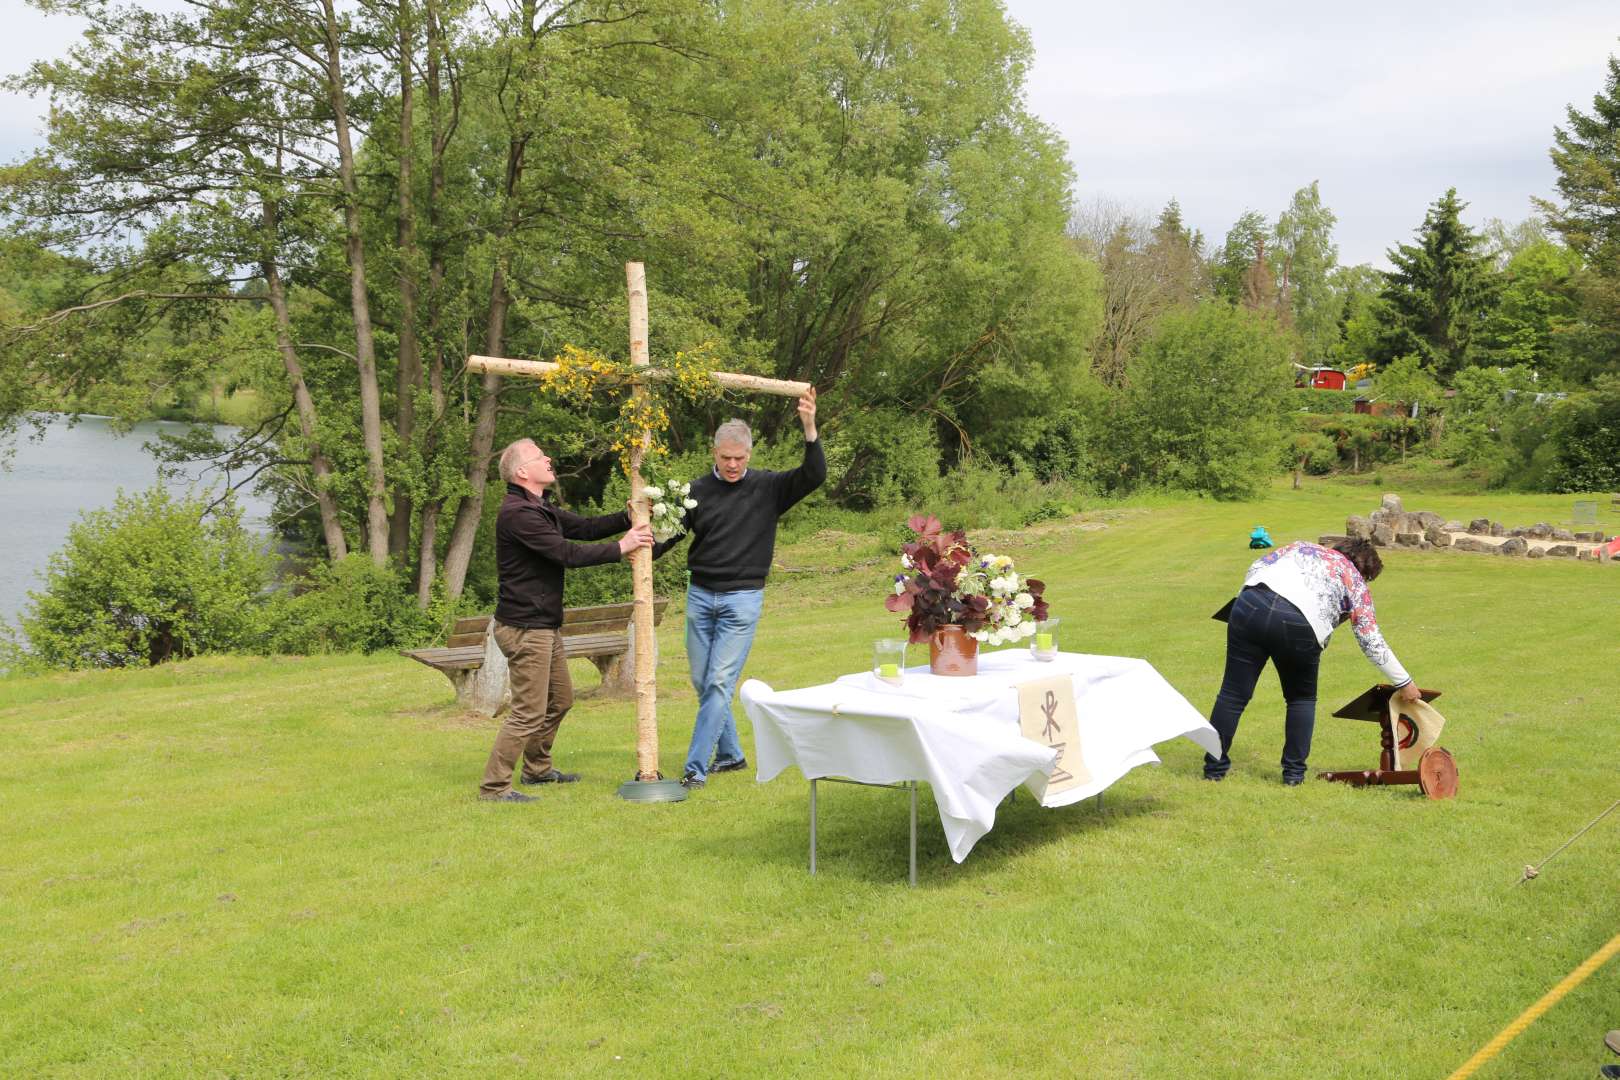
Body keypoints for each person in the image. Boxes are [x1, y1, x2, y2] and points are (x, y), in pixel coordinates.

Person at [657, 388, 824, 789]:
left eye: (739, 458)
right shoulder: (695, 492)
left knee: (719, 682)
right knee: (704, 682)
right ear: (714, 453)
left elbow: (814, 475)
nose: (732, 465)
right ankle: (731, 755)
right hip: (699, 594)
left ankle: (696, 769)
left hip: (742, 599)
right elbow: (669, 537)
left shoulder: (768, 488)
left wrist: (809, 426)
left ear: (749, 455)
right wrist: (636, 549)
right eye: (725, 458)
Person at [478, 438, 653, 802]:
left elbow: (585, 529)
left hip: (542, 625)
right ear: (522, 471)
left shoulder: (539, 507)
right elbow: (565, 553)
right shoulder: (518, 513)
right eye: (539, 456)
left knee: (561, 699)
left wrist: (630, 515)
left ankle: (537, 770)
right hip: (525, 628)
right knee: (528, 711)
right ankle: (494, 787)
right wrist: (623, 546)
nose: (548, 458)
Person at [1203, 537, 1421, 785]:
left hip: (1249, 603)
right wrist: (1404, 681)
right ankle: (1293, 776)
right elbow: (1370, 639)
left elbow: (1257, 567)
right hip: (1298, 624)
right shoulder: (1356, 581)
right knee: (1300, 699)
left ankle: (1213, 770)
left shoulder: (1300, 546)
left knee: (1233, 694)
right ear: (1365, 571)